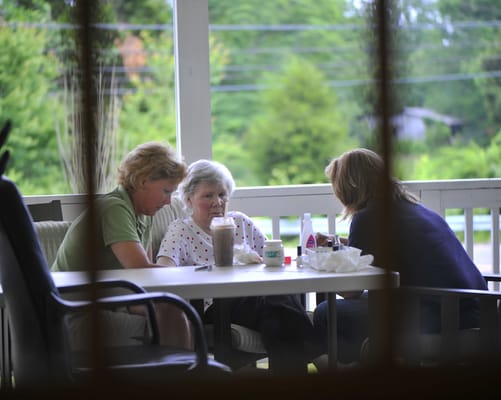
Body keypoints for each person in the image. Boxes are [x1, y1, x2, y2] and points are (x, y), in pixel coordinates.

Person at [313, 148, 488, 364]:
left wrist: (319, 263)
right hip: (476, 311)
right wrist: (336, 242)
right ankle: (365, 365)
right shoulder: (415, 209)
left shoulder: (369, 218)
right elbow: (378, 249)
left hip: (439, 317)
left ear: (347, 188)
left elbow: (351, 290)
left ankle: (346, 375)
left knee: (325, 313)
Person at [156, 159, 320, 374]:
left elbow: (272, 257)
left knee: (277, 313)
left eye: (222, 195)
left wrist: (258, 262)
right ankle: (320, 358)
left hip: (255, 299)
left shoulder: (240, 222)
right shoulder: (182, 230)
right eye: (208, 195)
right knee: (279, 301)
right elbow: (164, 267)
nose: (217, 202)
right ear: (189, 199)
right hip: (215, 305)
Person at [52, 141, 192, 350]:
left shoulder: (144, 213)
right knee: (171, 310)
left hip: (109, 297)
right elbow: (140, 269)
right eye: (165, 191)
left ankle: (174, 376)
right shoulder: (114, 208)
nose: (168, 202)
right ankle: (175, 377)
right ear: (143, 182)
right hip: (73, 308)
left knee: (173, 309)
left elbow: (145, 278)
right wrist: (190, 273)